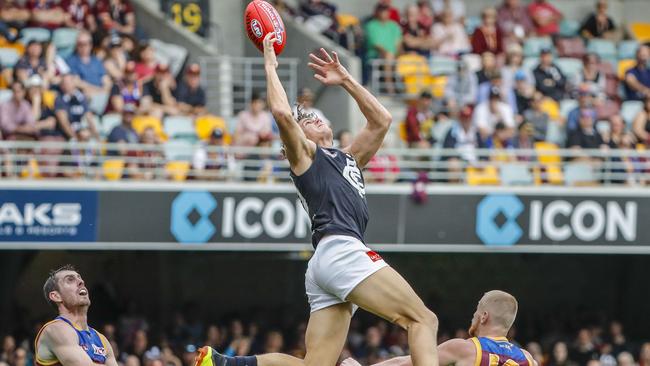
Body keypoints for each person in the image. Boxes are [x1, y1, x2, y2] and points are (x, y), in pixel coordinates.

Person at [195, 33, 439, 366]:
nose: (311, 116)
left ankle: (224, 363)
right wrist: (269, 63)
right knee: (424, 320)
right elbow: (282, 114)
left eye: (313, 114)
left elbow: (382, 120)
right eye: (305, 119)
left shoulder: (348, 157)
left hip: (327, 260)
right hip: (341, 251)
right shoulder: (306, 156)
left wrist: (347, 80)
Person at [340, 291, 537, 366]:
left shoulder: (467, 348)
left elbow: (407, 363)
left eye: (477, 312)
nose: (474, 316)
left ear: (484, 316)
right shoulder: (529, 359)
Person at [34, 265, 119, 366]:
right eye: (70, 280)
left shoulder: (102, 339)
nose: (81, 282)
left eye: (80, 278)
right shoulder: (55, 329)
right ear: (56, 296)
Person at [364, 4, 402, 94]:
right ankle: (390, 87)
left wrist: (395, 55)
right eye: (382, 10)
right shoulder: (371, 25)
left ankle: (402, 89)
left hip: (393, 56)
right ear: (377, 12)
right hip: (375, 55)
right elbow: (375, 44)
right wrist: (388, 54)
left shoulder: (394, 26)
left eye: (386, 10)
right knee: (388, 56)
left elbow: (398, 43)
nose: (384, 13)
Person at [66, 30, 111, 95]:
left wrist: (105, 90)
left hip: (101, 93)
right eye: (80, 44)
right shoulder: (71, 61)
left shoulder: (96, 61)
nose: (83, 47)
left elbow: (105, 79)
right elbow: (77, 82)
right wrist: (97, 90)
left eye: (85, 44)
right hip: (85, 94)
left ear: (90, 45)